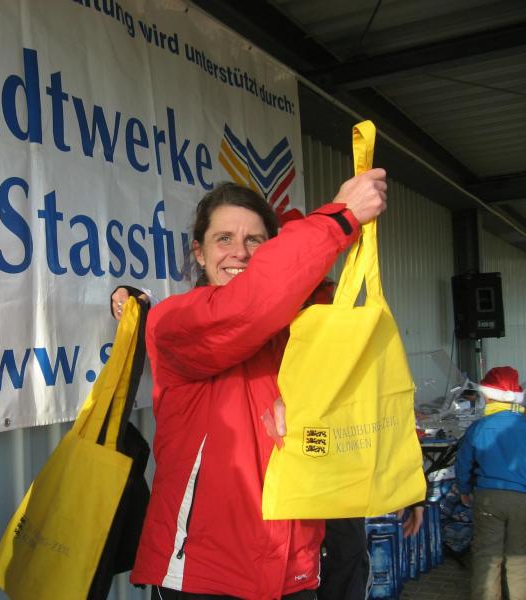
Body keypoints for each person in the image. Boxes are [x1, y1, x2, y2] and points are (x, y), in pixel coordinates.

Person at [121, 171, 387, 600]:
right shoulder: (173, 321)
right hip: (203, 575)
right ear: (199, 253)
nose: (240, 252)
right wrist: (341, 217)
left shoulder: (299, 336)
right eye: (223, 239)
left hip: (295, 569)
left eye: (255, 241)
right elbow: (246, 309)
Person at [456, 366, 526, 600]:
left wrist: (464, 489)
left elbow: (463, 462)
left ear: (487, 395)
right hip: (522, 500)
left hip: (488, 498)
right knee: (519, 558)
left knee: (487, 556)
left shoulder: (479, 426)